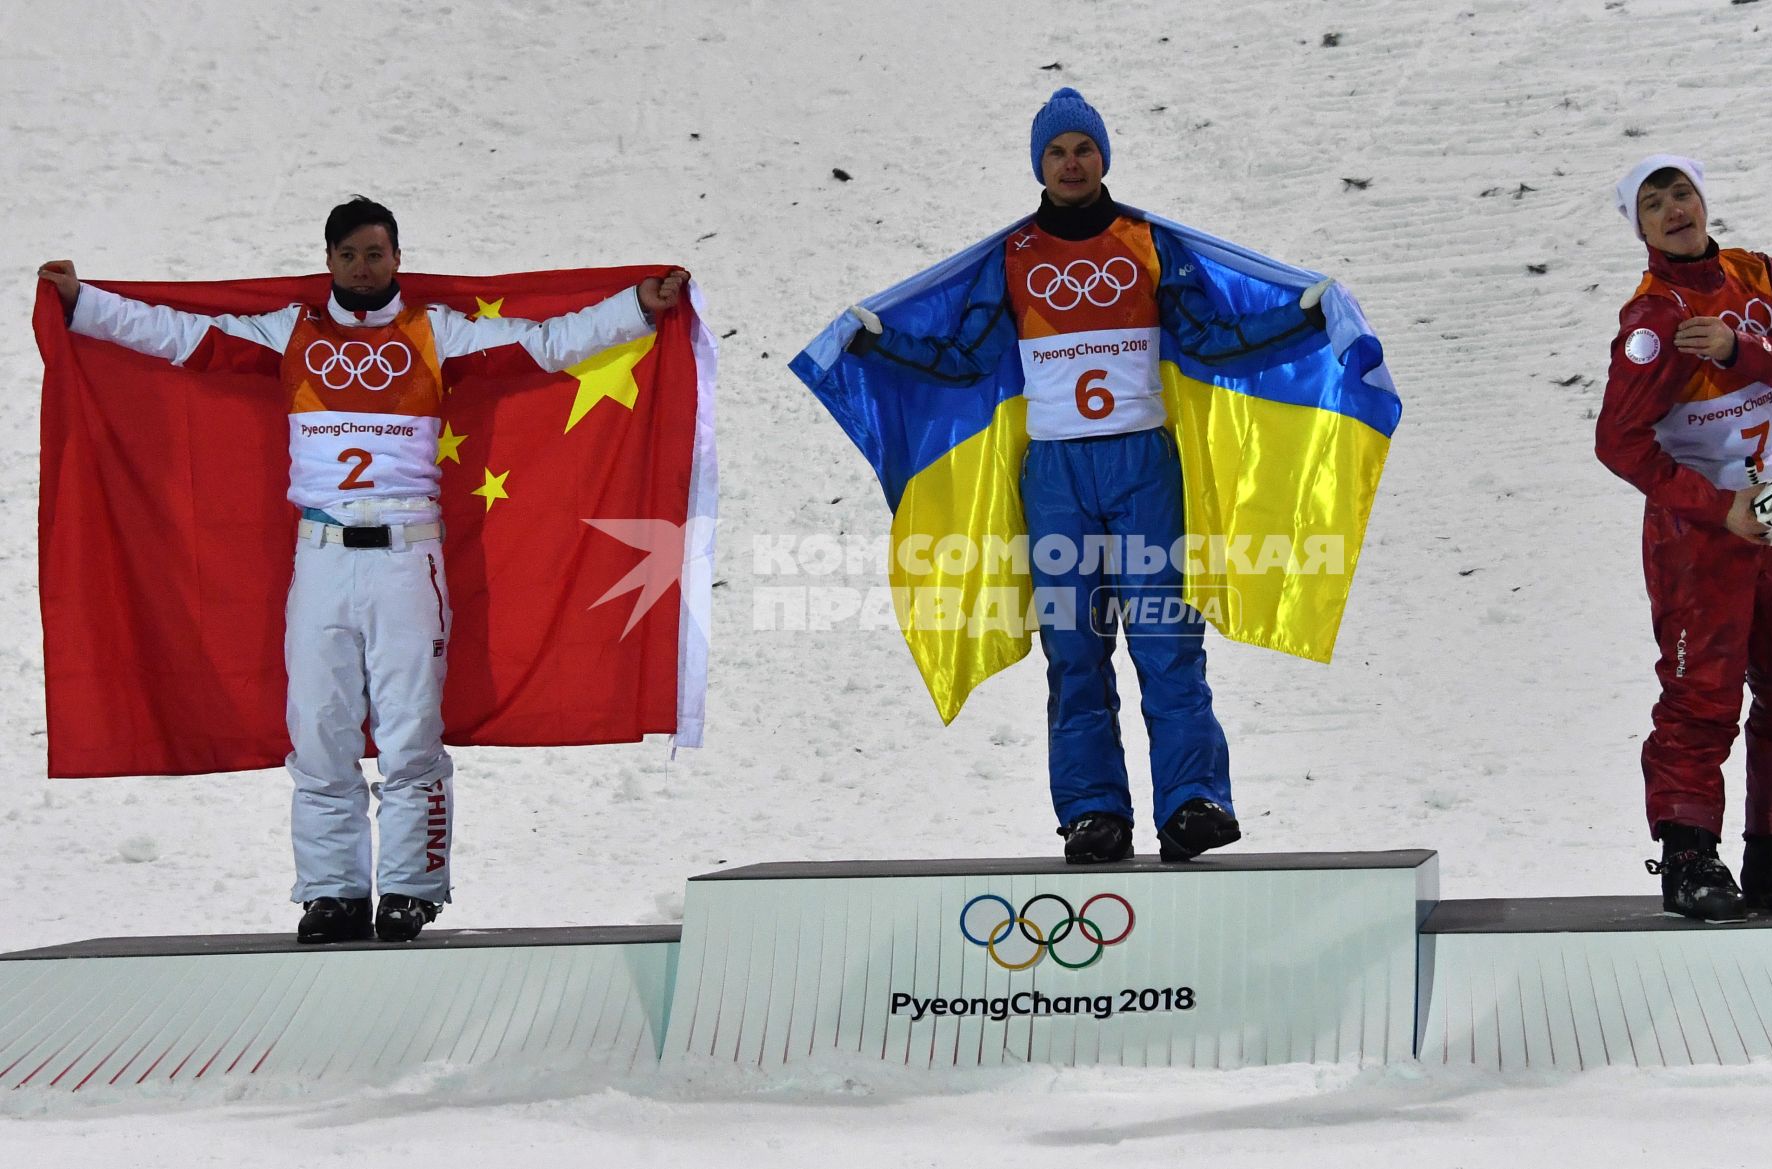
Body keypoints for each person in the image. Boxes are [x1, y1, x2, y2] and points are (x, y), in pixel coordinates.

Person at [37, 198, 687, 943]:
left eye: (375, 254)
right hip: (320, 559)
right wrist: (82, 303)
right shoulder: (292, 333)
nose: (363, 267)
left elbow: (545, 344)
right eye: (349, 255)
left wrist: (636, 308)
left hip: (409, 558)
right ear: (330, 262)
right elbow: (180, 334)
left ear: (396, 259)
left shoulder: (435, 332)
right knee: (318, 730)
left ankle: (411, 888)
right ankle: (332, 892)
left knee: (411, 730)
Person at [847, 89, 1332, 864]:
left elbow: (1211, 336)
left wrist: (1302, 318)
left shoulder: (1145, 241)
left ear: (1104, 156)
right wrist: (880, 346)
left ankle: (1192, 801)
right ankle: (1093, 812)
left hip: (1144, 465)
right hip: (1056, 476)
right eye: (1056, 152)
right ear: (1038, 165)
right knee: (1075, 649)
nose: (1071, 164)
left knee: (1167, 638)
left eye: (1083, 149)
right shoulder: (1014, 256)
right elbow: (965, 357)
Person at [1596, 155, 1772, 921]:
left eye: (1681, 192)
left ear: (1703, 199)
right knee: (1700, 695)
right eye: (1653, 203)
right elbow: (1619, 443)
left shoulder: (1759, 276)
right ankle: (1690, 859)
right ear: (1640, 227)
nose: (1674, 209)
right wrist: (1720, 508)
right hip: (1700, 534)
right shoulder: (1652, 323)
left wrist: (1739, 350)